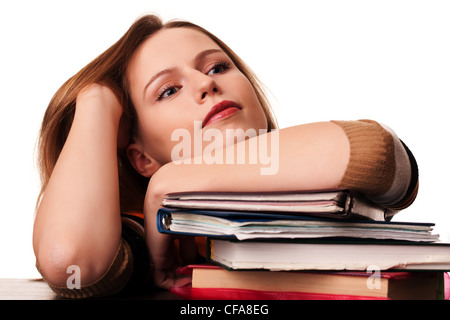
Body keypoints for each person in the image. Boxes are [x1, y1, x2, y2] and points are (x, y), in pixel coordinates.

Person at [33, 14, 419, 298]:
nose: (206, 83)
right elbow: (70, 263)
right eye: (168, 90)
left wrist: (173, 179)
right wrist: (97, 98)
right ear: (142, 160)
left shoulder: (321, 164)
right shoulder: (156, 237)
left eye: (217, 66)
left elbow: (381, 155)